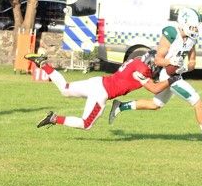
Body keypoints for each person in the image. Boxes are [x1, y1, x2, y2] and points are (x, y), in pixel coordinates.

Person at [106, 7, 202, 148]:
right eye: (192, 26)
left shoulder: (191, 40)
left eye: (196, 27)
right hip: (169, 75)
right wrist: (171, 62)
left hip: (177, 73)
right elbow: (158, 60)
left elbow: (193, 62)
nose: (195, 29)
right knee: (197, 101)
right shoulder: (171, 34)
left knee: (155, 105)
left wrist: (185, 67)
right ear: (184, 22)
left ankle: (120, 106)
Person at [26, 49, 174, 131]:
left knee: (65, 88)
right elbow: (154, 89)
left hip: (97, 81)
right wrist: (172, 79)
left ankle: (43, 63)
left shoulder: (136, 61)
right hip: (101, 93)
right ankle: (53, 118)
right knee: (86, 124)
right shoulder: (142, 70)